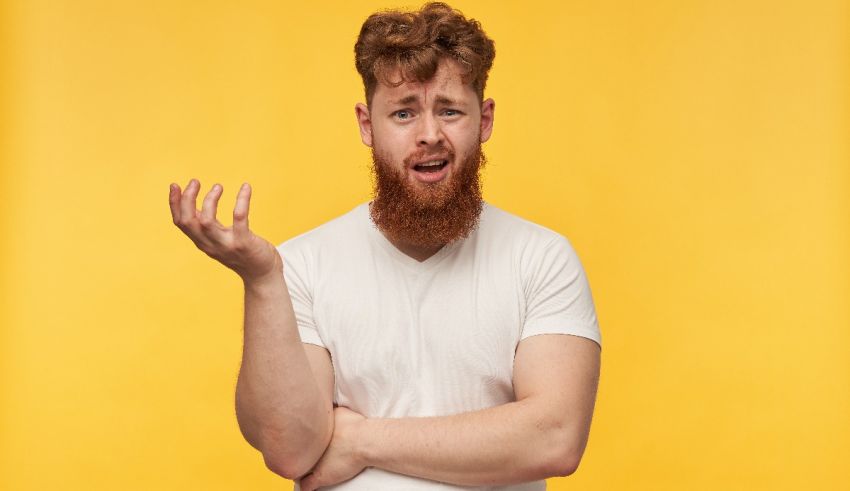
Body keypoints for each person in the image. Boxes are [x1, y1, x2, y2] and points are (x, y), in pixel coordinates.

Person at [168, 2, 602, 490]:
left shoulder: (541, 259)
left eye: (450, 110)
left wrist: (360, 441)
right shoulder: (301, 266)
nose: (430, 135)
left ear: (483, 121)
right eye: (403, 113)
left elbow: (555, 439)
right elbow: (290, 448)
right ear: (367, 125)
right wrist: (263, 280)